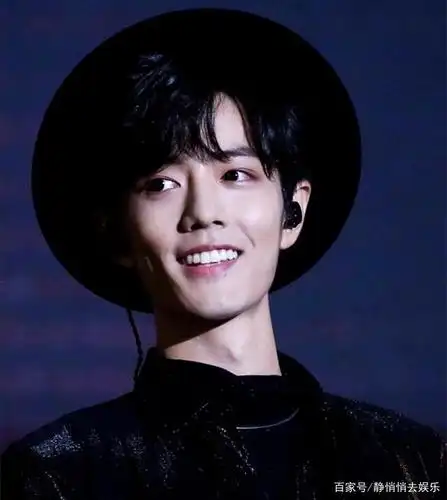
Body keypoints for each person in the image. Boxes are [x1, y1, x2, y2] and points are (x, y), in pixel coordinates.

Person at [1, 8, 444, 500]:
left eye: (235, 175)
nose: (203, 213)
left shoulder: (406, 460)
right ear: (118, 235)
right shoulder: (62, 474)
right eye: (161, 184)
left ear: (293, 211)